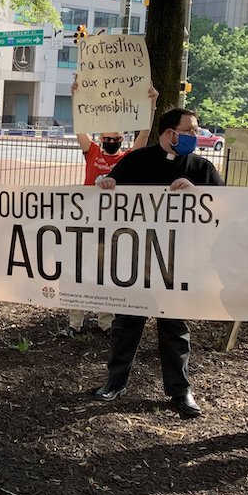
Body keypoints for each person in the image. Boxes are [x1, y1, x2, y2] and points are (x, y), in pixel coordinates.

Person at [92, 107, 224, 418]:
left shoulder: (202, 168)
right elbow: (110, 191)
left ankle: (181, 391)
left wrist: (198, 194)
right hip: (137, 261)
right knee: (125, 324)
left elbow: (226, 206)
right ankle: (115, 382)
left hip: (178, 264)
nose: (196, 135)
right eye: (190, 130)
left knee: (175, 329)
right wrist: (107, 183)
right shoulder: (136, 161)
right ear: (169, 133)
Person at [61, 78, 156, 337]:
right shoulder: (92, 152)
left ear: (122, 139)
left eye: (115, 138)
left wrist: (152, 103)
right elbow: (80, 127)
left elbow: (145, 135)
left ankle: (106, 322)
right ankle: (74, 323)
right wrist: (75, 97)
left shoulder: (128, 158)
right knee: (80, 271)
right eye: (106, 138)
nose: (110, 141)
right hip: (87, 220)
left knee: (107, 272)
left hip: (114, 224)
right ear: (101, 139)